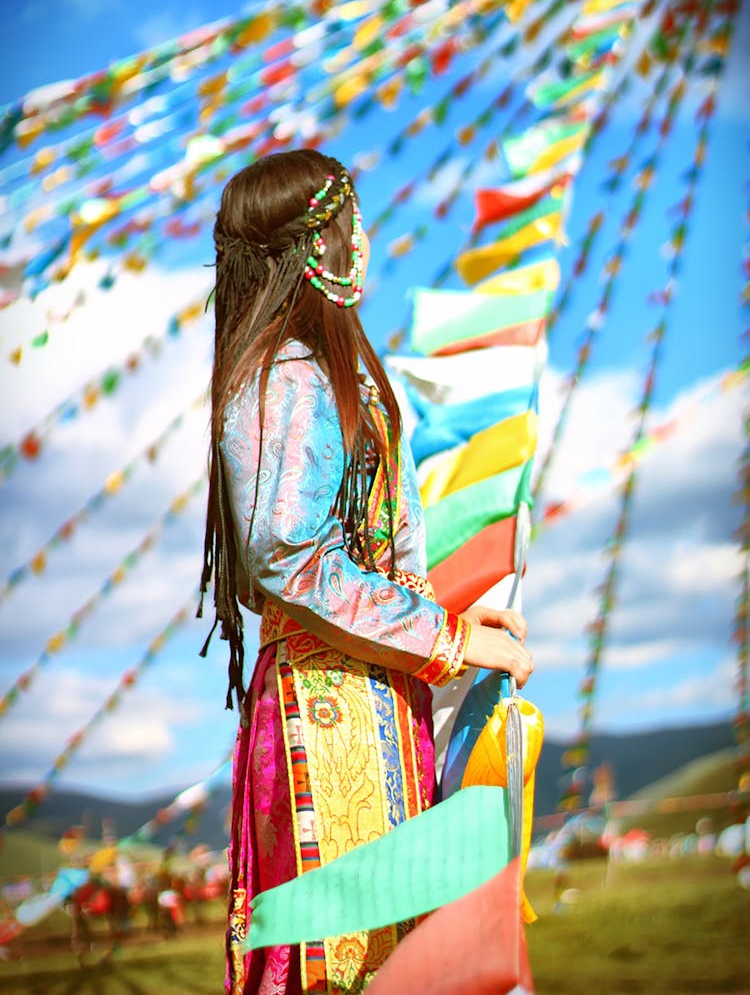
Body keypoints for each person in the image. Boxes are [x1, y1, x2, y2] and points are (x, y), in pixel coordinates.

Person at [198, 148, 535, 995]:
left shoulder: (319, 369)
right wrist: (448, 638)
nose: (366, 238)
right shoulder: (287, 372)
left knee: (390, 948)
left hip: (370, 692)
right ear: (315, 246)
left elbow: (363, 552)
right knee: (345, 955)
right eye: (349, 221)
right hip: (329, 713)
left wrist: (458, 624)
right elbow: (289, 555)